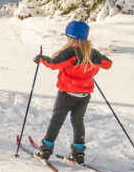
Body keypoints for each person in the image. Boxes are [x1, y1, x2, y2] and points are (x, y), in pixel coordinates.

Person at [33, 21, 112, 163]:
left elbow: (53, 64)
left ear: (69, 37)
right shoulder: (92, 53)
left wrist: (40, 59)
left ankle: (45, 150)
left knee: (57, 120)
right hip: (84, 96)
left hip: (67, 94)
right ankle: (78, 153)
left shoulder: (70, 52)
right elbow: (108, 64)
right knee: (78, 121)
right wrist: (89, 65)